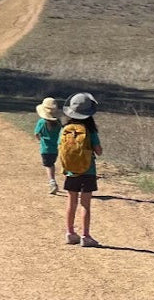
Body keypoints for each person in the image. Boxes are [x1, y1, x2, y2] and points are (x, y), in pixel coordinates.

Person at [60, 92, 102, 247]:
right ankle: (85, 236)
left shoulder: (65, 129)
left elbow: (60, 148)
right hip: (88, 171)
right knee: (85, 204)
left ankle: (70, 233)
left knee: (71, 203)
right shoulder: (90, 131)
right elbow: (98, 151)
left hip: (71, 171)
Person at [33, 97, 63, 194]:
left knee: (48, 165)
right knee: (52, 164)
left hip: (45, 148)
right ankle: (53, 181)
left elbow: (36, 134)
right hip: (55, 148)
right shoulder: (58, 122)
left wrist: (40, 140)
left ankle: (52, 181)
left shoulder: (42, 122)